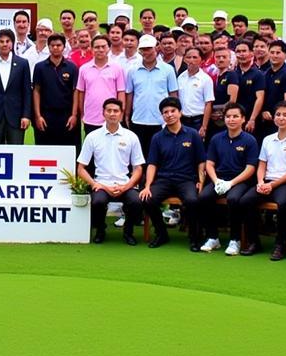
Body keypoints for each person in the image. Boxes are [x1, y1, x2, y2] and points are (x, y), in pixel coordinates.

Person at [243, 101, 286, 260]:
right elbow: (262, 165)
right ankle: (254, 242)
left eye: (285, 115)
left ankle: (280, 244)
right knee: (245, 201)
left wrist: (272, 185)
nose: (281, 118)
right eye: (278, 114)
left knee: (284, 205)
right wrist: (260, 182)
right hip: (267, 181)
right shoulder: (267, 139)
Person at [140, 98, 205, 250]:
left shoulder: (193, 134)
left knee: (192, 201)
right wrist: (148, 186)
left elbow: (201, 161)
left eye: (172, 111)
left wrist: (201, 181)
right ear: (162, 116)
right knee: (147, 199)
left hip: (186, 180)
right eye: (165, 112)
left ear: (180, 113)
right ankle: (161, 233)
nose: (169, 115)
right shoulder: (157, 138)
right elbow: (152, 164)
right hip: (164, 180)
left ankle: (195, 237)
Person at [77, 98, 144, 245]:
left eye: (116, 111)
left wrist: (126, 186)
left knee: (136, 201)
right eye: (109, 110)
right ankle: (100, 230)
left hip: (125, 184)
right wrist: (95, 184)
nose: (112, 114)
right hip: (101, 184)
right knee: (98, 202)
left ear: (121, 114)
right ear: (103, 113)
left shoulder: (131, 136)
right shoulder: (92, 137)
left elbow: (138, 168)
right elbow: (81, 168)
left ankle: (128, 232)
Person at [202, 102, 258, 256]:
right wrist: (216, 181)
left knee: (234, 199)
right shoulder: (216, 138)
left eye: (235, 116)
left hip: (240, 181)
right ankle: (213, 237)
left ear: (243, 119)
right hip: (219, 179)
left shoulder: (250, 140)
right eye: (228, 116)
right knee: (205, 196)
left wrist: (231, 183)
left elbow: (251, 168)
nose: (231, 119)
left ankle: (235, 240)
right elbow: (210, 163)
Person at [125, 34, 178, 160]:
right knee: (139, 155)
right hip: (138, 119)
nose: (146, 52)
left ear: (156, 48)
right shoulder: (133, 70)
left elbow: (173, 94)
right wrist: (127, 114)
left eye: (149, 49)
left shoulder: (168, 69)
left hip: (161, 120)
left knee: (160, 155)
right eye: (143, 49)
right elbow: (130, 94)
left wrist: (174, 115)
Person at [32, 34, 79, 147]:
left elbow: (75, 91)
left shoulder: (72, 67)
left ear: (64, 47)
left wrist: (74, 115)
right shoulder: (40, 67)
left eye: (59, 45)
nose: (56, 48)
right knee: (46, 149)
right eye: (52, 45)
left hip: (66, 115)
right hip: (46, 115)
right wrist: (38, 116)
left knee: (67, 149)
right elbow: (36, 91)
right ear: (48, 47)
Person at [75, 35, 126, 138]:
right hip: (91, 117)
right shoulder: (84, 69)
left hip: (111, 116)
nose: (100, 50)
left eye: (103, 47)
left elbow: (121, 92)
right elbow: (81, 92)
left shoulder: (117, 68)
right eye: (97, 47)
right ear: (92, 49)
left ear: (109, 48)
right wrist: (82, 113)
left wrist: (121, 113)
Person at [228, 40, 265, 135]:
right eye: (238, 52)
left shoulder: (258, 74)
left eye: (244, 51)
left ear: (251, 53)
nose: (241, 54)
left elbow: (260, 98)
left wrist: (252, 119)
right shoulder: (232, 73)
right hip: (235, 120)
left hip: (250, 120)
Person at [176, 47, 213, 137]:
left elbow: (208, 103)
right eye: (188, 57)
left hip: (198, 121)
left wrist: (204, 126)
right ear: (184, 59)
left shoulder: (206, 79)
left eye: (195, 57)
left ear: (201, 60)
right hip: (182, 120)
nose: (191, 60)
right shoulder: (181, 77)